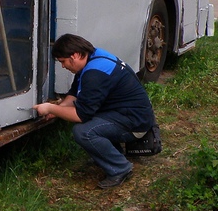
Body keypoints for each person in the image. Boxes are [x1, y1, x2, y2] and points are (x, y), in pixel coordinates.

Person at [34, 33, 157, 189]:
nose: (63, 66)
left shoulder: (94, 73)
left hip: (136, 123)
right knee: (90, 122)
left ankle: (120, 168)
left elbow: (80, 115)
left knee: (84, 131)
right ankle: (110, 154)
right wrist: (60, 109)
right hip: (126, 114)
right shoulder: (93, 58)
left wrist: (51, 108)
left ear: (75, 55)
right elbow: (74, 94)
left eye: (63, 62)